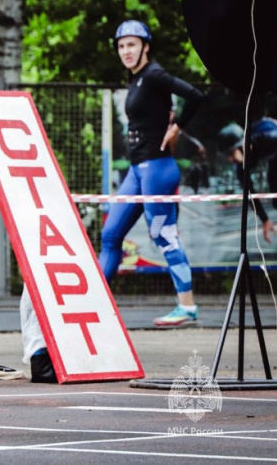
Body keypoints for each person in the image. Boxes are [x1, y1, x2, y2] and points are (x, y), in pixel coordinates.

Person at [99, 20, 206, 327]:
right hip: (137, 170)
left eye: (132, 44)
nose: (126, 51)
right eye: (121, 46)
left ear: (145, 46)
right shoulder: (137, 80)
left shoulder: (155, 75)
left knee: (163, 234)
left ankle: (187, 306)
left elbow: (196, 95)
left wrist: (177, 127)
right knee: (110, 235)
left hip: (158, 169)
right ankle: (94, 300)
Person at [217, 119, 277, 244]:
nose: (230, 159)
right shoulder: (241, 165)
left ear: (242, 145)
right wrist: (265, 220)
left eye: (231, 153)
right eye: (227, 155)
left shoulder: (269, 138)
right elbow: (250, 194)